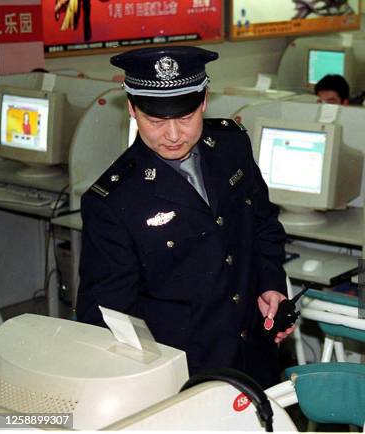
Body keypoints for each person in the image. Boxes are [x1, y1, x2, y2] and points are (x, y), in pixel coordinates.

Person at [76, 46, 292, 388]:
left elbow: (263, 225)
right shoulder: (114, 201)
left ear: (204, 100)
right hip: (185, 374)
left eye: (186, 117)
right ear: (132, 108)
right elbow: (107, 317)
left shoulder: (231, 146)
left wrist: (271, 285)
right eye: (156, 121)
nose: (174, 135)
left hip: (254, 354)